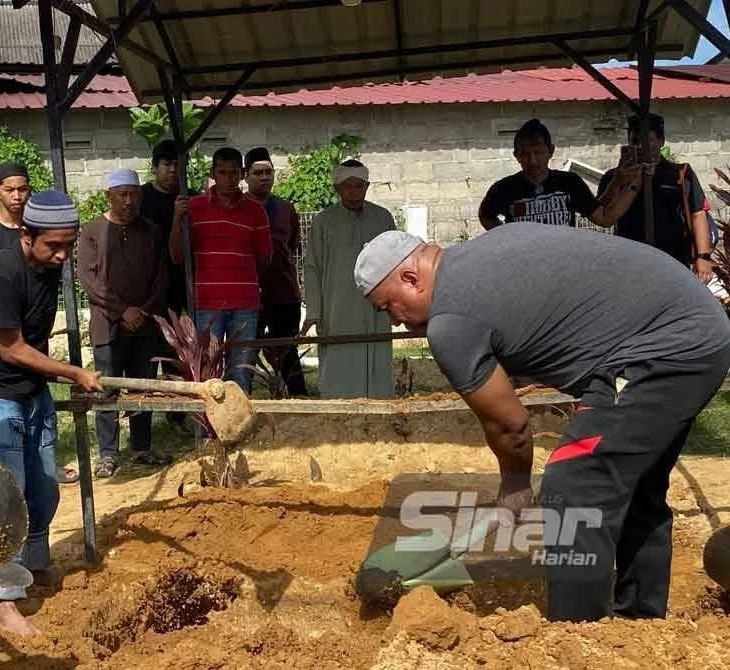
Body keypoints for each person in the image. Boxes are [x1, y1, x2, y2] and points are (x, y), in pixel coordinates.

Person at [355, 223, 730, 623]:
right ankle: (638, 621)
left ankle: (576, 635)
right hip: (696, 331)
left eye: (388, 306)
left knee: (575, 482)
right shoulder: (485, 252)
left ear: (410, 278)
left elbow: (511, 425)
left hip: (664, 348)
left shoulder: (451, 320)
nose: (395, 321)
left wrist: (514, 485)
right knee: (633, 483)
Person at [0, 190, 103, 636]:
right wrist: (74, 372)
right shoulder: (3, 271)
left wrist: (56, 376)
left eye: (69, 245)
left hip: (30, 390)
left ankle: (35, 567)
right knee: (7, 497)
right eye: (54, 246)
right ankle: (3, 600)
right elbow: (12, 347)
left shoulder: (47, 267)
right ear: (26, 234)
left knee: (44, 487)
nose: (63, 255)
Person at [78, 169, 170, 478]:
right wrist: (122, 310)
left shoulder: (151, 231)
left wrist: (142, 311)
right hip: (108, 325)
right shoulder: (92, 231)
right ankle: (108, 453)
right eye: (123, 195)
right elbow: (89, 280)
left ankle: (142, 447)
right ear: (109, 196)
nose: (129, 201)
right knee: (107, 389)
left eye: (134, 195)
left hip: (144, 325)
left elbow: (161, 276)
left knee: (142, 386)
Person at [170, 147, 272, 395]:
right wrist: (176, 218)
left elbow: (265, 258)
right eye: (222, 172)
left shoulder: (255, 211)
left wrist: (243, 276)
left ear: (242, 174)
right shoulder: (192, 208)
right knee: (209, 370)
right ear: (213, 173)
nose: (228, 178)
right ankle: (211, 428)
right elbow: (177, 255)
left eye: (233, 173)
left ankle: (239, 426)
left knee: (241, 368)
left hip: (245, 302)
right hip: (207, 303)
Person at [303, 160, 394, 399]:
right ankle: (339, 412)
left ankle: (378, 408)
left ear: (367, 186)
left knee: (377, 360)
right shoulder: (324, 222)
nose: (354, 191)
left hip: (376, 307)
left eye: (359, 185)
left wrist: (396, 304)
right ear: (337, 188)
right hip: (337, 309)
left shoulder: (383, 218)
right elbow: (312, 267)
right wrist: (314, 311)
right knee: (339, 364)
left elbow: (396, 263)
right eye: (348, 186)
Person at [597, 113, 715, 284]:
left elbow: (698, 214)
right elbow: (600, 212)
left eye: (648, 141)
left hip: (674, 261)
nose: (641, 147)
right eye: (636, 140)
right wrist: (619, 181)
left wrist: (703, 257)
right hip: (631, 263)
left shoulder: (680, 174)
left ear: (661, 141)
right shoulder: (613, 177)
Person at [479, 118, 641, 230]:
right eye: (525, 154)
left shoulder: (569, 183)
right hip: (525, 268)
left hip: (562, 266)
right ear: (516, 156)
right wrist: (506, 236)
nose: (533, 160)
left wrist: (635, 181)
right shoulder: (505, 188)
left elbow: (605, 218)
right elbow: (485, 216)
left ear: (550, 151)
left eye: (538, 152)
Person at [140, 140, 197, 433]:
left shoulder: (191, 197)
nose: (173, 170)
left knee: (184, 351)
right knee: (155, 350)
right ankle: (147, 414)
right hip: (151, 287)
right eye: (167, 165)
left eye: (178, 165)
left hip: (186, 285)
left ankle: (179, 413)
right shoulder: (142, 199)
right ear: (155, 168)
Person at [245, 147, 308, 397]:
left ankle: (300, 400)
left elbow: (291, 245)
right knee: (247, 352)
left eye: (268, 172)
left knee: (287, 350)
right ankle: (240, 400)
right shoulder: (239, 207)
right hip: (249, 296)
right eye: (257, 172)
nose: (264, 177)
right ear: (246, 176)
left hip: (284, 293)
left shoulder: (285, 209)